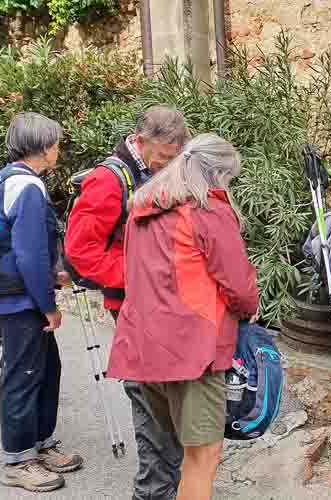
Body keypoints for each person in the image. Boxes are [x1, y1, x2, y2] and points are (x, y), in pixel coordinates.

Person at [107, 133, 259, 500]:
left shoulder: (142, 208)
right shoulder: (208, 211)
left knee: (167, 450)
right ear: (218, 175)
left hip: (144, 346)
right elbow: (238, 285)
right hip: (194, 351)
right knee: (202, 456)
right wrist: (248, 312)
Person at [65, 105, 188, 500]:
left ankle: (168, 481)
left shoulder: (149, 169)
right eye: (164, 156)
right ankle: (152, 491)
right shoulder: (108, 180)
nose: (167, 164)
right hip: (132, 305)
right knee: (148, 397)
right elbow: (80, 251)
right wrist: (140, 272)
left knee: (165, 395)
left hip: (157, 303)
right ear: (142, 138)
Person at [0, 112, 82, 492]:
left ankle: (39, 443)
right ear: (43, 147)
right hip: (19, 300)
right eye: (56, 143)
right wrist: (48, 305)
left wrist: (52, 276)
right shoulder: (28, 187)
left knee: (44, 369)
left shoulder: (9, 178)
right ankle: (19, 458)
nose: (58, 150)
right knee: (23, 375)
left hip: (20, 293)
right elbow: (29, 255)